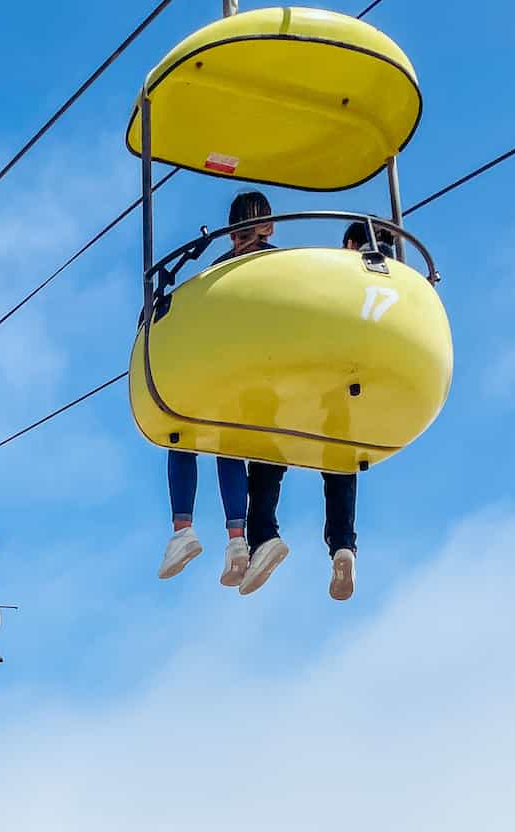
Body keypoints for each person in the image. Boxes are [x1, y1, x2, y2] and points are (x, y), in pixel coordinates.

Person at [238, 217, 391, 599]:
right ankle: (343, 544)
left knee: (266, 450)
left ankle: (263, 536)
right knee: (339, 460)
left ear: (351, 245)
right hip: (349, 387)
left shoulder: (339, 274)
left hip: (307, 373)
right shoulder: (392, 289)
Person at [157, 191, 275, 587]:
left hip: (226, 369)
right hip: (263, 377)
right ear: (269, 225)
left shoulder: (219, 271)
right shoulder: (281, 265)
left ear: (230, 232)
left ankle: (183, 529)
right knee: (229, 446)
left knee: (181, 433)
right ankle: (237, 541)